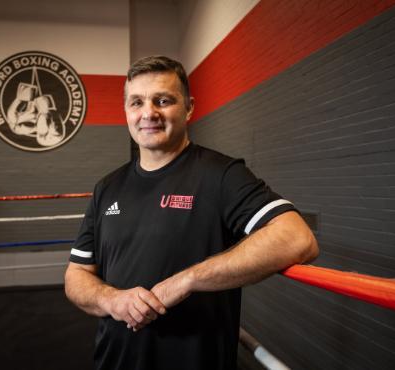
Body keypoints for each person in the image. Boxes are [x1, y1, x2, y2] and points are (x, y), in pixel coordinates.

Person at [65, 55, 319, 370]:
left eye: (163, 100)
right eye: (137, 102)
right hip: (113, 362)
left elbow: (297, 237)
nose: (149, 113)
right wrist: (111, 300)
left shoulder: (220, 174)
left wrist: (186, 280)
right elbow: (76, 275)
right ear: (126, 111)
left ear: (189, 107)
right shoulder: (107, 187)